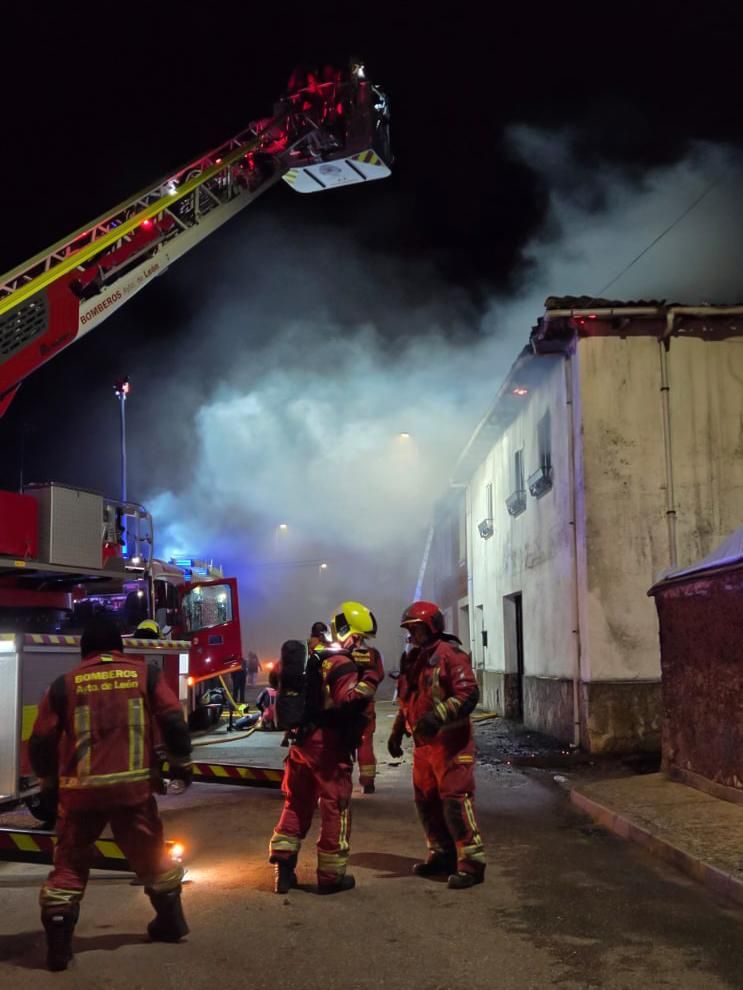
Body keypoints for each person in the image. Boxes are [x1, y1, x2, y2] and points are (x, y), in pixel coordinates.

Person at [28, 615, 194, 971]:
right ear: (120, 648)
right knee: (152, 856)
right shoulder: (144, 675)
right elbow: (173, 720)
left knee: (70, 863)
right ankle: (170, 922)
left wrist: (48, 782)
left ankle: (59, 939)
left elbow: (41, 740)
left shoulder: (63, 685)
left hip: (81, 794)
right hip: (133, 792)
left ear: (84, 652)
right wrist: (182, 763)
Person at [268, 634, 378, 895]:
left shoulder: (310, 660)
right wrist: (370, 678)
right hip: (327, 747)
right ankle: (331, 877)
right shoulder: (340, 663)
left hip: (301, 743)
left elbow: (276, 682)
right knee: (334, 806)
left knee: (296, 802)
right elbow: (348, 700)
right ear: (353, 637)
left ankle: (283, 870)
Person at [388, 600, 486, 890]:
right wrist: (397, 731)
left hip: (451, 744)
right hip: (424, 746)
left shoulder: (449, 655)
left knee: (455, 801)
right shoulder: (416, 659)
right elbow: (408, 698)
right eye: (409, 630)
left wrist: (437, 717)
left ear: (431, 627)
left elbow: (468, 694)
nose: (412, 636)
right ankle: (442, 855)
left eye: (416, 629)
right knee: (426, 802)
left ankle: (472, 863)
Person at [330, 602, 384, 794]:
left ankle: (341, 781)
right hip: (365, 707)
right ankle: (367, 781)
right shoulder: (372, 654)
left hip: (344, 706)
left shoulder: (340, 653)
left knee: (340, 744)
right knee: (365, 742)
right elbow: (379, 676)